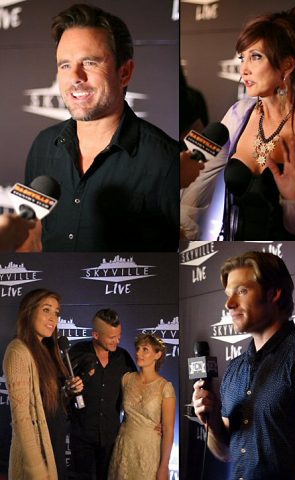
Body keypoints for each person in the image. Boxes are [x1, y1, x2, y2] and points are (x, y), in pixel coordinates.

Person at [181, 6, 295, 240]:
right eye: (243, 57)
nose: (244, 70)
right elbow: (200, 182)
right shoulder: (237, 114)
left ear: (287, 65)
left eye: (256, 57)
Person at [24, 3, 179, 252]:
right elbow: (35, 235)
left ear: (125, 72)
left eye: (90, 62)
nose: (75, 76)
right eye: (64, 65)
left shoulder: (166, 161)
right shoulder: (43, 146)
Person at [192, 251, 295, 480]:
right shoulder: (234, 369)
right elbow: (225, 452)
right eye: (228, 294)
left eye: (242, 291)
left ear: (274, 293)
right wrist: (212, 421)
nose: (229, 303)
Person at [2, 288, 83, 480]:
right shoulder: (18, 351)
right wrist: (36, 467)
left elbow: (47, 404)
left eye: (56, 313)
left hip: (53, 442)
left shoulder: (46, 350)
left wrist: (67, 392)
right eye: (46, 310)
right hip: (37, 453)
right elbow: (21, 418)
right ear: (29, 311)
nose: (53, 318)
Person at [68, 308, 136, 480]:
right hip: (81, 435)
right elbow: (57, 388)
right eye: (112, 337)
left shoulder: (123, 357)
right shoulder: (76, 353)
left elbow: (137, 390)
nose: (117, 340)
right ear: (96, 335)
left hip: (111, 437)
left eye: (119, 335)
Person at [109, 333, 176, 480]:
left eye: (145, 349)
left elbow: (169, 430)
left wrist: (164, 466)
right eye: (138, 348)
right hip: (124, 448)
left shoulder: (165, 387)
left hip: (149, 451)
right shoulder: (126, 379)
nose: (138, 353)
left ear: (157, 354)